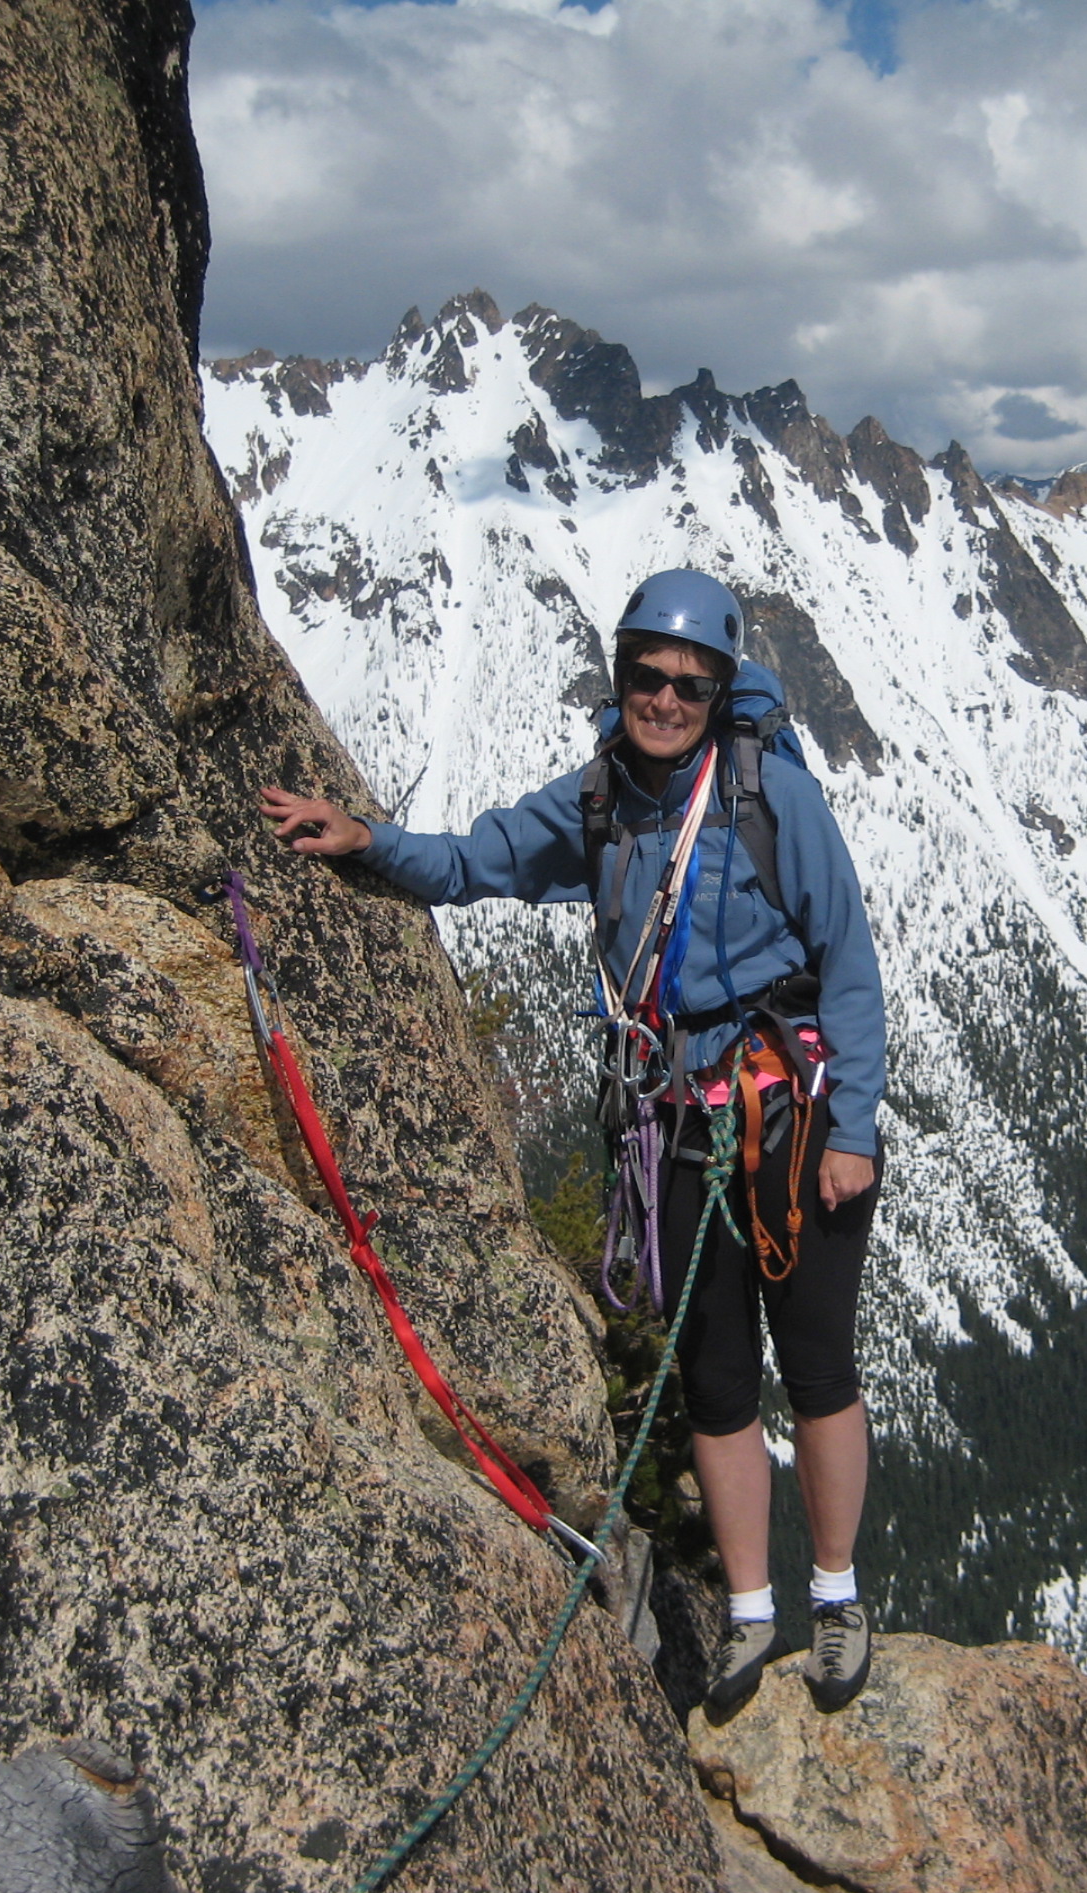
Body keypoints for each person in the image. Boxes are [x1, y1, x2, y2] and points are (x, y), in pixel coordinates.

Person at [259, 568, 887, 1717]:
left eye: (689, 684)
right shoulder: (599, 800)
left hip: (789, 1116)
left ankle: (837, 1597)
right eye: (647, 676)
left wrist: (852, 1132)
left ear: (719, 693)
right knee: (716, 1380)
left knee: (817, 1365)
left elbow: (848, 960)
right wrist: (365, 841)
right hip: (675, 1122)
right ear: (621, 675)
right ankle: (752, 1612)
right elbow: (477, 860)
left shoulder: (770, 798)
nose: (665, 699)